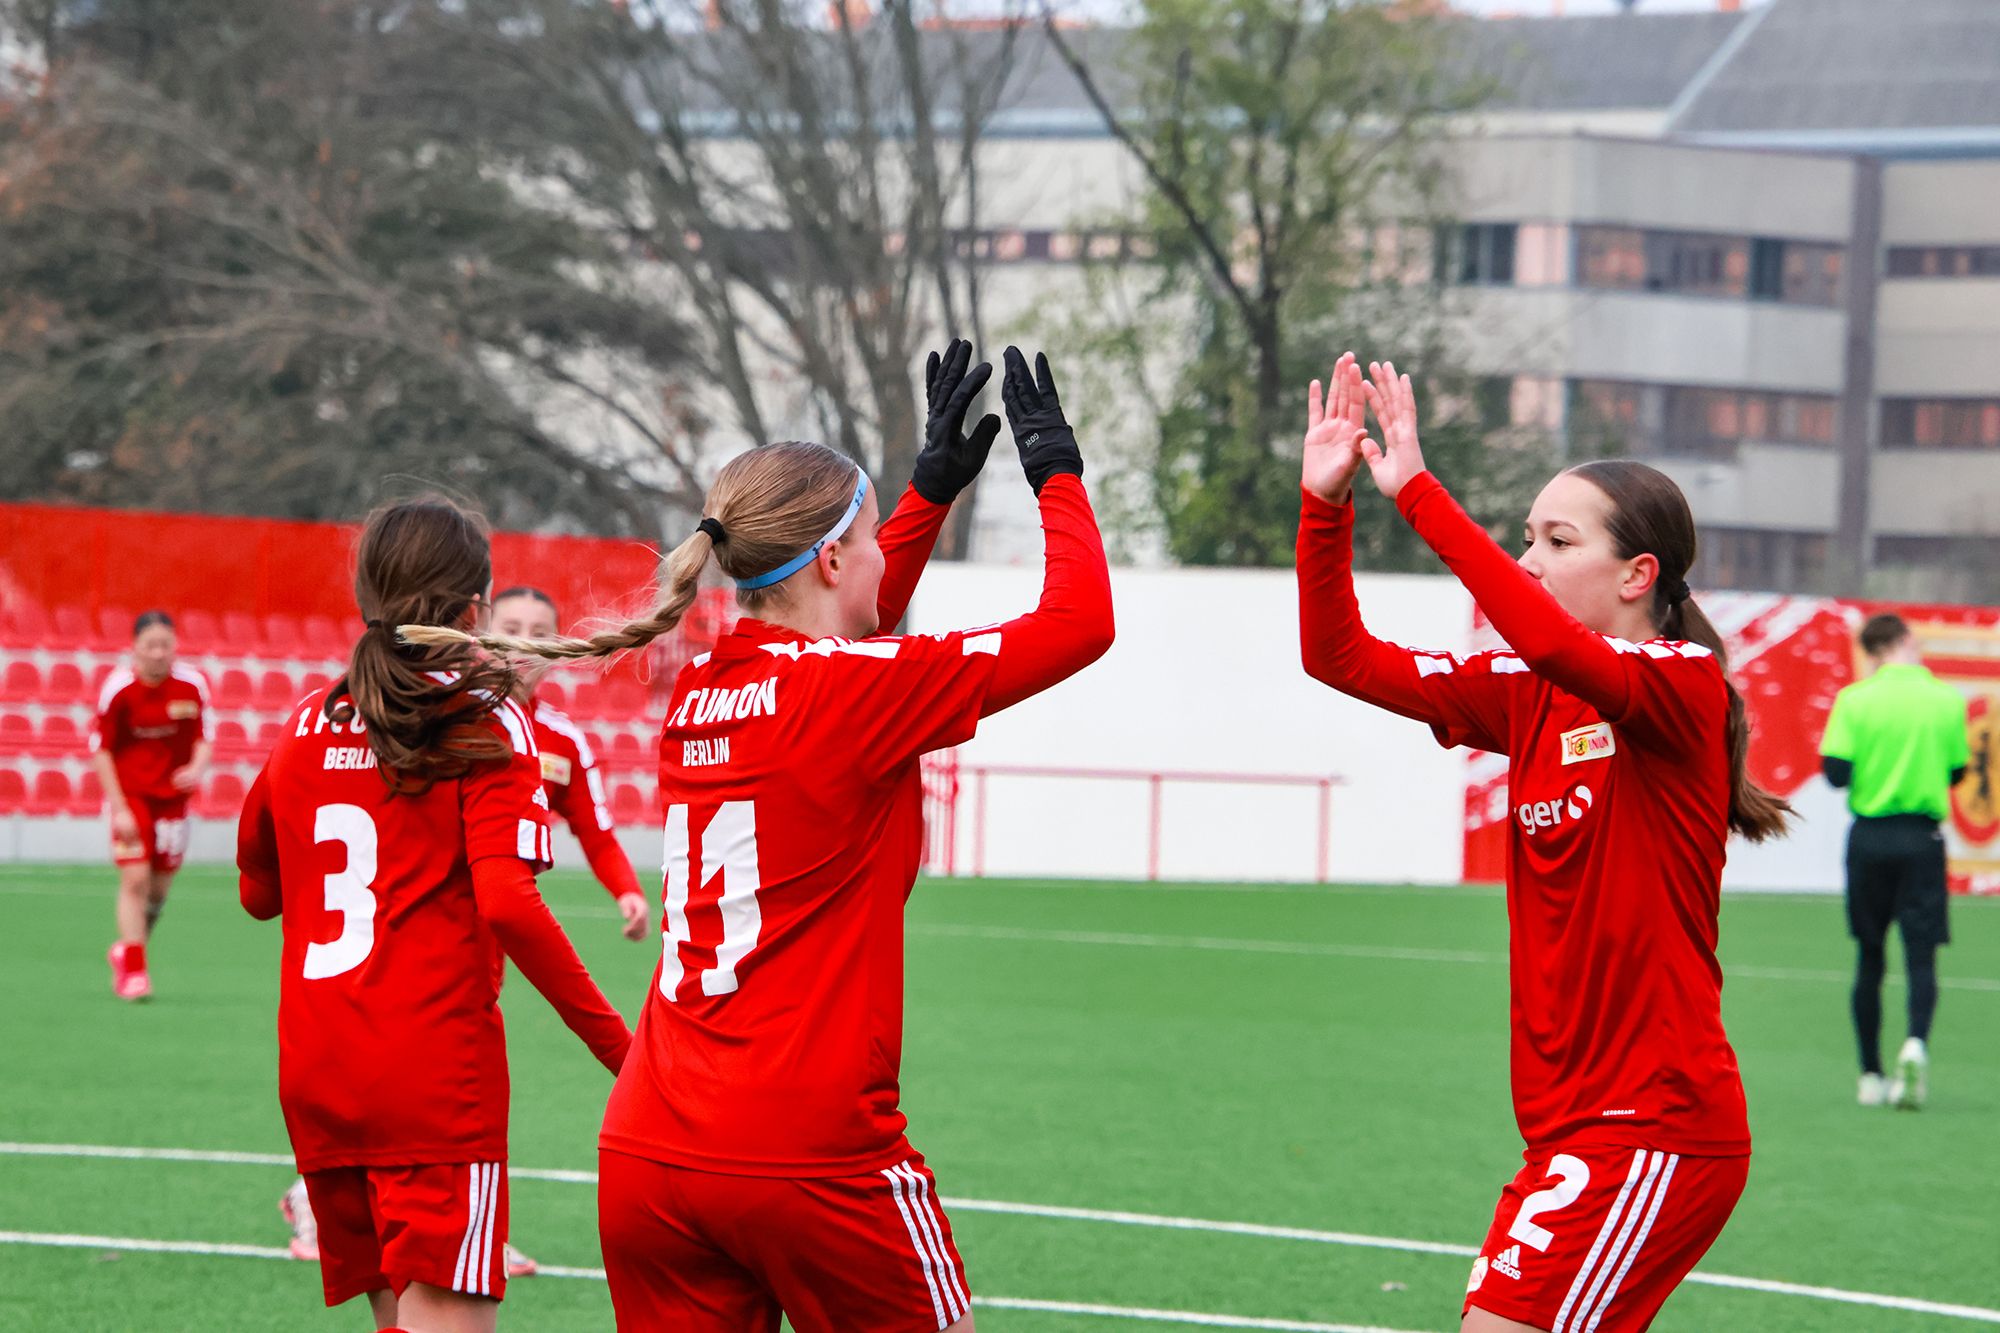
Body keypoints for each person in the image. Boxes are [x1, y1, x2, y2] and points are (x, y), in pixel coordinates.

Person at [412, 340, 1113, 1332]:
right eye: (869, 538)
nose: (883, 557)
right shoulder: (853, 691)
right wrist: (1056, 475)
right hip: (805, 1154)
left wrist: (922, 496)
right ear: (830, 558)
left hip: (652, 1150)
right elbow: (1081, 621)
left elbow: (842, 630)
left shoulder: (700, 689)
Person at [1295, 354, 1789, 1333]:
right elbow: (1336, 656)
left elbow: (1555, 643)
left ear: (1637, 574)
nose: (1526, 561)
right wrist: (1324, 504)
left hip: (1650, 1126)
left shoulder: (1680, 684)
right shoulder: (1527, 694)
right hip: (1567, 1130)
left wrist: (1418, 492)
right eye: (1524, 537)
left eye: (1557, 541)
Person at [237, 496, 633, 1333]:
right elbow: (509, 904)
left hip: (318, 1073)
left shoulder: (303, 723)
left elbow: (258, 894)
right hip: (429, 1083)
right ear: (475, 608)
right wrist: (626, 1052)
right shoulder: (488, 718)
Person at [1818, 612, 1970, 1111]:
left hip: (1870, 838)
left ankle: (1870, 1074)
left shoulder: (1855, 699)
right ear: (1904, 640)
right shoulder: (1945, 700)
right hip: (1922, 838)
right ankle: (1916, 1045)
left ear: (1871, 651)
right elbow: (1956, 771)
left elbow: (1835, 773)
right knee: (1921, 957)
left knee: (1870, 956)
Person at [93, 609, 211, 1001]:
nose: (159, 653)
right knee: (135, 880)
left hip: (173, 801)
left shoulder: (192, 685)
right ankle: (135, 971)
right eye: (151, 645)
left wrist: (196, 768)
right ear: (135, 648)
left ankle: (127, 951)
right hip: (131, 797)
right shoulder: (119, 689)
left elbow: (204, 738)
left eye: (165, 645)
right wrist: (119, 808)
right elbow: (101, 751)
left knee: (158, 891)